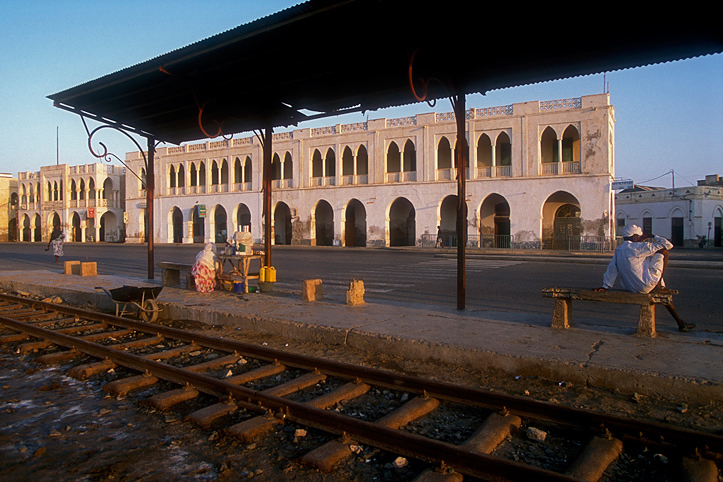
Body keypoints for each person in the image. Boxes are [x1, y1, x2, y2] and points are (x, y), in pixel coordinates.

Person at [595, 225, 695, 332]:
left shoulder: (619, 249)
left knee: (649, 262)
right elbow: (668, 245)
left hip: (631, 287)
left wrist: (605, 285)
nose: (642, 239)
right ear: (635, 238)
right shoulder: (640, 247)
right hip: (646, 286)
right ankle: (659, 286)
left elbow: (612, 268)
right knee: (663, 252)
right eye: (639, 237)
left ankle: (680, 322)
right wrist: (652, 236)